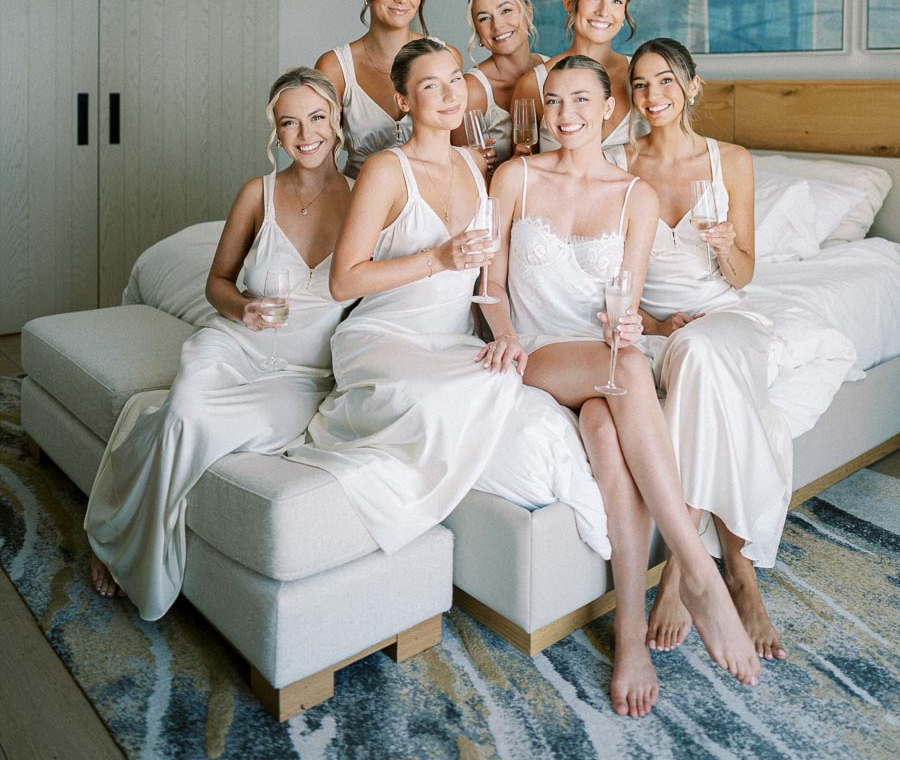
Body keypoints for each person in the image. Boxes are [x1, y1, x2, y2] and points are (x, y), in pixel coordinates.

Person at [486, 55, 761, 716]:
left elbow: (625, 303)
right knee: (631, 368)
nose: (565, 116)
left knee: (609, 433)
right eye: (554, 102)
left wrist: (635, 321)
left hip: (604, 358)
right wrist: (503, 333)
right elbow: (490, 286)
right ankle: (697, 569)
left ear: (610, 108)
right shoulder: (515, 177)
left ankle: (631, 635)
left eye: (581, 101)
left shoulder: (634, 194)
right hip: (541, 353)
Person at [287, 38, 609, 562]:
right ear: (403, 101)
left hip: (451, 339)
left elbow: (490, 275)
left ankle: (600, 517)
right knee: (434, 402)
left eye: (455, 78)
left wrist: (506, 332)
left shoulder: (472, 164)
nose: (449, 93)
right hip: (385, 336)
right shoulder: (386, 170)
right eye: (429, 85)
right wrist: (438, 259)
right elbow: (343, 282)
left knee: (515, 390)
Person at [608, 38, 856, 663]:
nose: (652, 96)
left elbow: (743, 275)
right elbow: (605, 276)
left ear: (692, 87)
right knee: (694, 355)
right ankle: (737, 573)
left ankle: (678, 575)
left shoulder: (732, 162)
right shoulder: (617, 162)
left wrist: (724, 247)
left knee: (702, 352)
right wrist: (657, 325)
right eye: (639, 85)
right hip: (658, 327)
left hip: (728, 316)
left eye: (665, 81)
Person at [85, 68, 355, 619]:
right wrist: (245, 308)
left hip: (303, 374)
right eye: (290, 122)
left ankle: (143, 437)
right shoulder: (258, 194)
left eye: (317, 117)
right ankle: (115, 542)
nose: (306, 134)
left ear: (338, 121)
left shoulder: (365, 199)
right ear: (275, 134)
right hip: (234, 345)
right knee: (187, 412)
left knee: (202, 426)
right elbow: (217, 285)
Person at [316, 0, 461, 178]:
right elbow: (320, 164)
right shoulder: (335, 68)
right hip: (356, 201)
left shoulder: (446, 57)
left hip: (428, 204)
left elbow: (457, 149)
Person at [511, 0, 648, 153]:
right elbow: (522, 165)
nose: (603, 11)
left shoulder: (641, 76)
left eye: (616, 1)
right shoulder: (533, 84)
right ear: (569, 3)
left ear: (625, 11)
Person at [450, 0, 546, 165]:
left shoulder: (552, 71)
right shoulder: (472, 89)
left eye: (506, 11)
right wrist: (480, 163)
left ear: (528, 12)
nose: (498, 25)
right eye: (485, 18)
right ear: (478, 32)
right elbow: (460, 169)